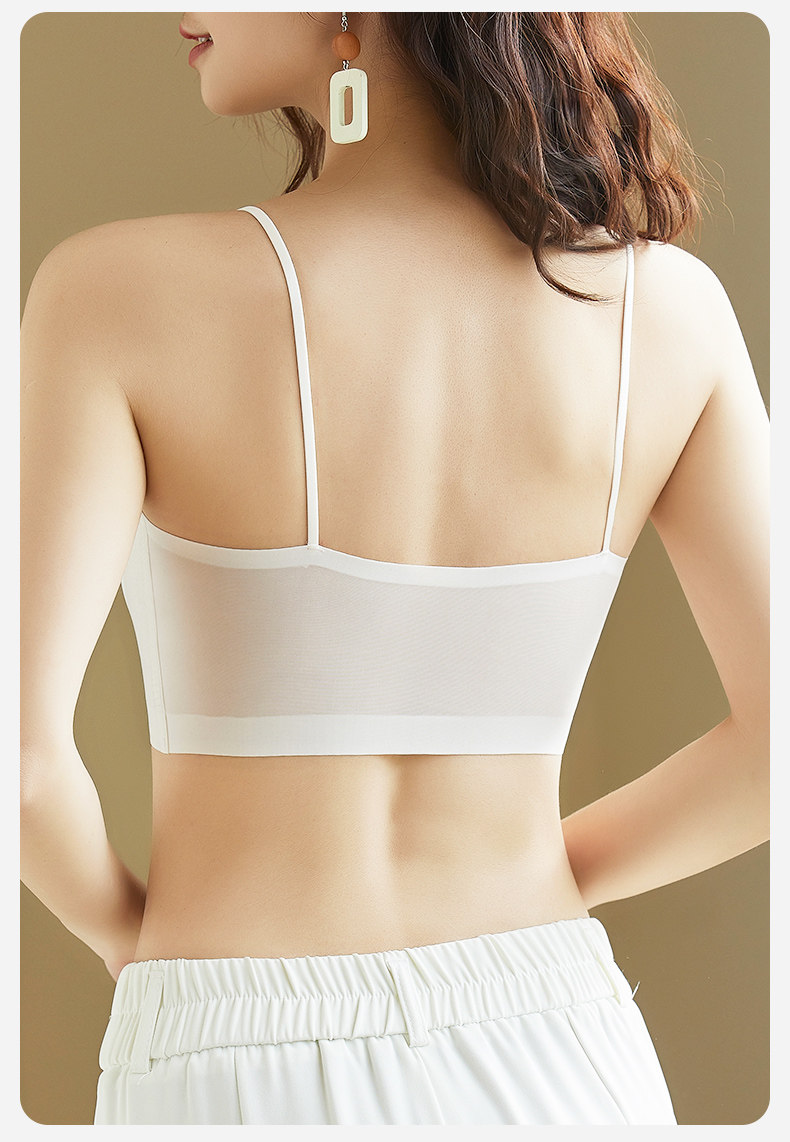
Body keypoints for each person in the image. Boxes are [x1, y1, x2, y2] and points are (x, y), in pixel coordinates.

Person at [20, 11, 769, 1126]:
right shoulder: (674, 314)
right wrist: (537, 883)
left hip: (233, 1053)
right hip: (565, 1040)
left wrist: (138, 942)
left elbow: (22, 759)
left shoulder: (111, 294)